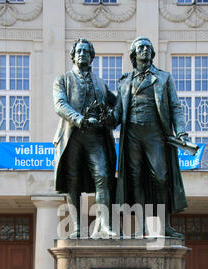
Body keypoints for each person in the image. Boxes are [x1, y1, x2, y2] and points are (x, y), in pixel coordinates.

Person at [113, 37, 189, 238]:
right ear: (133, 54)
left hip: (155, 134)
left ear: (153, 53)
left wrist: (181, 131)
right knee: (136, 179)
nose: (145, 50)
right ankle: (142, 227)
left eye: (148, 47)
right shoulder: (124, 81)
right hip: (132, 135)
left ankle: (164, 225)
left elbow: (175, 107)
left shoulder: (164, 78)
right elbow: (117, 112)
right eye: (140, 47)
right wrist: (102, 120)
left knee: (161, 177)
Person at [53, 38, 116, 238]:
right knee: (73, 181)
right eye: (79, 51)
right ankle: (78, 228)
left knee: (103, 177)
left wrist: (111, 117)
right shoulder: (62, 80)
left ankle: (104, 225)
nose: (82, 54)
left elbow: (116, 106)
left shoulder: (100, 83)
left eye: (86, 52)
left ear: (91, 57)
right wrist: (79, 119)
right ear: (73, 55)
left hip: (96, 137)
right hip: (72, 136)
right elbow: (60, 105)